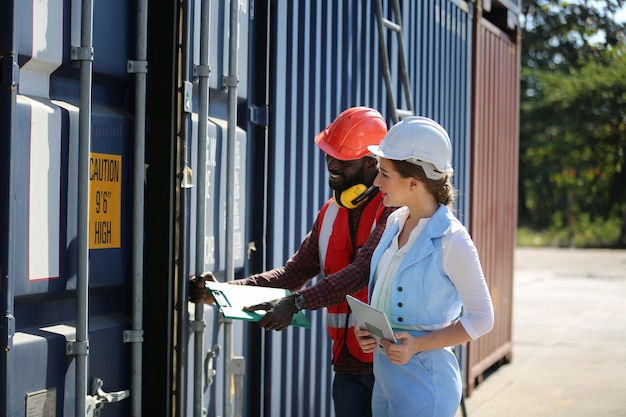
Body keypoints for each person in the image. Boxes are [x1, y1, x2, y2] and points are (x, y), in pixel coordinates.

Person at [190, 106, 398, 417]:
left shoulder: (393, 211)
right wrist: (221, 292)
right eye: (328, 154)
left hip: (389, 363)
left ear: (371, 163)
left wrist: (297, 303)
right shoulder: (330, 214)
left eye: (342, 158)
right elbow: (292, 274)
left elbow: (361, 273)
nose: (331, 163)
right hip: (346, 366)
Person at [353, 116, 495, 417]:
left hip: (426, 386)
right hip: (387, 380)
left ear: (414, 183)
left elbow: (483, 318)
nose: (377, 182)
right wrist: (370, 331)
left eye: (385, 174)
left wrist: (418, 344)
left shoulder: (452, 240)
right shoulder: (394, 222)